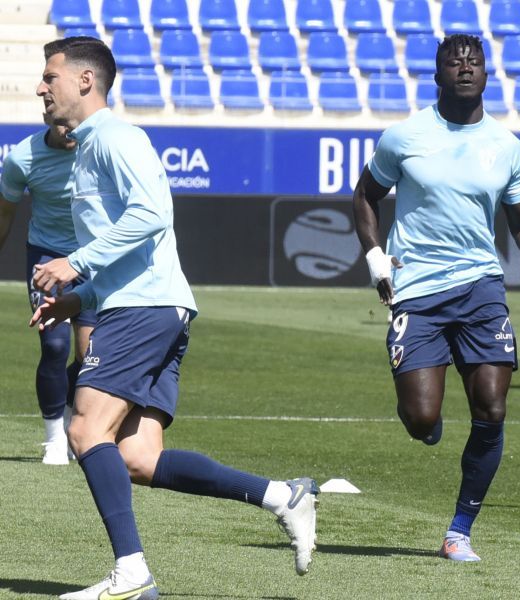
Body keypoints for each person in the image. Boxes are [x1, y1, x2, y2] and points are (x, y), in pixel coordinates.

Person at [28, 37, 318, 600]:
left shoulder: (116, 137)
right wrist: (78, 299)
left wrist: (75, 263)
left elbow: (153, 214)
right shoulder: (89, 147)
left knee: (86, 428)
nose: (41, 87)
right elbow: (134, 250)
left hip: (144, 310)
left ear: (85, 81)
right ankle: (282, 496)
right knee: (138, 457)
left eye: (50, 76)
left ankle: (132, 575)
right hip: (146, 304)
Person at [352, 34, 520, 562]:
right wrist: (376, 258)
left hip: (481, 289)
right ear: (437, 75)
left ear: (487, 76)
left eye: (474, 62)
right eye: (454, 62)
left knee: (492, 408)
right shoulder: (404, 137)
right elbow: (364, 196)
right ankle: (428, 423)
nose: (465, 68)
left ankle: (459, 531)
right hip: (418, 292)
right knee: (421, 419)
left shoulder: (509, 147)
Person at [0, 115, 97, 465]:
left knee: (89, 359)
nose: (69, 129)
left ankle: (71, 414)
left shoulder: (99, 149)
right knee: (54, 345)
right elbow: (5, 214)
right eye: (60, 123)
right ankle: (55, 440)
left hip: (92, 258)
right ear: (47, 119)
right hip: (46, 257)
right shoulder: (21, 158)